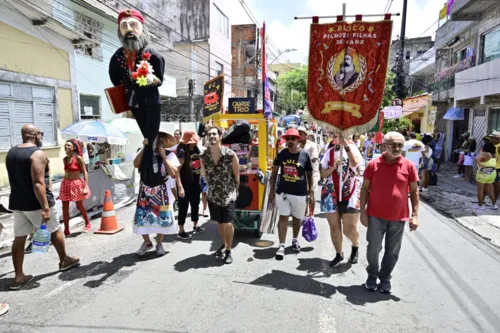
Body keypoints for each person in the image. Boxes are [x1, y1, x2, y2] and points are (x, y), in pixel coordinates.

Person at [6, 125, 80, 290]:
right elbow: (38, 183)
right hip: (36, 204)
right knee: (55, 230)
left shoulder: (11, 152)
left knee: (19, 239)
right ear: (35, 135)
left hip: (18, 203)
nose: (42, 137)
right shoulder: (37, 153)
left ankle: (18, 277)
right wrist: (45, 208)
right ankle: (64, 260)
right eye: (41, 134)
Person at [109, 9, 165, 189]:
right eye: (124, 26)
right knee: (146, 138)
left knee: (152, 138)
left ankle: (152, 173)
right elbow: (114, 78)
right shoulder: (118, 56)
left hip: (151, 103)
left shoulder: (152, 53)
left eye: (133, 24)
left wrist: (151, 79)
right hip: (134, 103)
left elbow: (159, 79)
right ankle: (148, 173)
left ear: (142, 28)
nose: (129, 29)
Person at [360, 132, 419, 293]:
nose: (397, 148)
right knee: (373, 248)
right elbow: (365, 188)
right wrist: (362, 212)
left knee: (392, 251)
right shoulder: (373, 164)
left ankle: (385, 278)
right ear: (384, 146)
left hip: (398, 217)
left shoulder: (409, 166)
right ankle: (372, 275)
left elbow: (414, 192)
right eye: (393, 145)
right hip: (375, 215)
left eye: (400, 145)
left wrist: (415, 215)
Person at [133, 127, 179, 256]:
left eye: (162, 138)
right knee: (142, 217)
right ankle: (147, 242)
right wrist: (144, 148)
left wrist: (164, 156)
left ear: (165, 141)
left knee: (162, 218)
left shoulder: (170, 155)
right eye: (157, 137)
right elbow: (136, 164)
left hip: (161, 191)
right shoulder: (144, 152)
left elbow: (172, 173)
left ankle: (159, 244)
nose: (159, 140)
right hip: (145, 191)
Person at [269, 128, 313, 260]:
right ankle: (281, 245)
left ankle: (294, 239)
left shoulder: (305, 155)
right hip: (283, 192)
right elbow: (274, 174)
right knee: (283, 217)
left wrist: (310, 192)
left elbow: (309, 174)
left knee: (297, 218)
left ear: (298, 140)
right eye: (287, 139)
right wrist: (271, 192)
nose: (289, 141)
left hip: (300, 193)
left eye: (292, 139)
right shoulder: (281, 154)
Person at [320, 134, 363, 267]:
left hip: (350, 191)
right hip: (330, 191)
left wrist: (347, 147)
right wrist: (332, 168)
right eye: (334, 134)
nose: (336, 136)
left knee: (349, 229)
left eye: (340, 134)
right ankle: (339, 254)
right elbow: (323, 174)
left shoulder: (354, 149)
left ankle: (355, 245)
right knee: (334, 226)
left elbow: (357, 168)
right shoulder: (330, 152)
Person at [200, 126, 239, 264]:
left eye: (214, 134)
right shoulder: (204, 156)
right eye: (209, 134)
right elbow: (204, 174)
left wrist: (236, 190)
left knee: (228, 223)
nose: (212, 136)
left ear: (220, 136)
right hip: (214, 195)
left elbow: (236, 175)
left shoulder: (229, 154)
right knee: (220, 223)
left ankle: (228, 250)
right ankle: (224, 244)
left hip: (228, 194)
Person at [59, 140, 92, 236]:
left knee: (79, 205)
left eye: (68, 145)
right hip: (66, 184)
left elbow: (85, 172)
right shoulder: (64, 159)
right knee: (64, 207)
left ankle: (87, 223)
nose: (66, 147)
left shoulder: (78, 158)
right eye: (65, 145)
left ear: (73, 147)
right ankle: (66, 229)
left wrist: (85, 187)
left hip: (76, 184)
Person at [176, 130, 203, 239]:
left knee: (195, 204)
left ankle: (195, 225)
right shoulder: (182, 151)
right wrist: (180, 187)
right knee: (183, 206)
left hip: (195, 182)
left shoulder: (196, 149)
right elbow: (177, 170)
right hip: (185, 183)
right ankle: (181, 230)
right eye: (193, 141)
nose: (195, 142)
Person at [298, 126, 320, 215]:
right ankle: (303, 214)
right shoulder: (297, 145)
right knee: (302, 195)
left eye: (301, 134)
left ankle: (311, 214)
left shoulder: (312, 145)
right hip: (300, 174)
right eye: (298, 134)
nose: (299, 136)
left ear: (306, 135)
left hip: (312, 174)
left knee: (311, 194)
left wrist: (309, 160)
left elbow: (314, 158)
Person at [474, 141, 498, 210]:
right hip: (492, 173)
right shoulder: (494, 155)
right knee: (490, 191)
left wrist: (480, 164)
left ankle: (480, 206)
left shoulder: (485, 154)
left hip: (483, 173)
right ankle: (494, 205)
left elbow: (476, 159)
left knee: (480, 190)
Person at [486, 131, 500, 204]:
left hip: (496, 168)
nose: (491, 139)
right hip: (492, 167)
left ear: (498, 139)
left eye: (492, 138)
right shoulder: (493, 145)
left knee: (496, 184)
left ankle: (493, 201)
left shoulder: (498, 146)